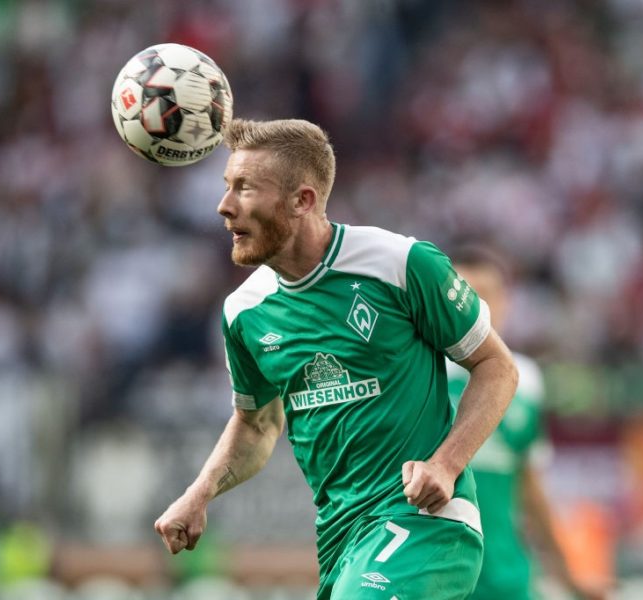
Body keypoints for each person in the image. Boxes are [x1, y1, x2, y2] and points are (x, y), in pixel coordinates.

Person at [153, 119, 519, 599]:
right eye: (227, 187)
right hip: (340, 538)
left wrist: (446, 465)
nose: (224, 207)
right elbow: (256, 424)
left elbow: (498, 367)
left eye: (244, 189)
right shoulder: (244, 312)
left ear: (302, 200)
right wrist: (198, 494)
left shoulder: (400, 264)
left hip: (424, 524)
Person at [446, 245, 606, 600]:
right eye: (464, 297)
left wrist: (568, 577)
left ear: (507, 302)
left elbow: (530, 489)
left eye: (487, 296)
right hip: (440, 582)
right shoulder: (421, 377)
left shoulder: (526, 380)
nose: (477, 309)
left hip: (510, 581)